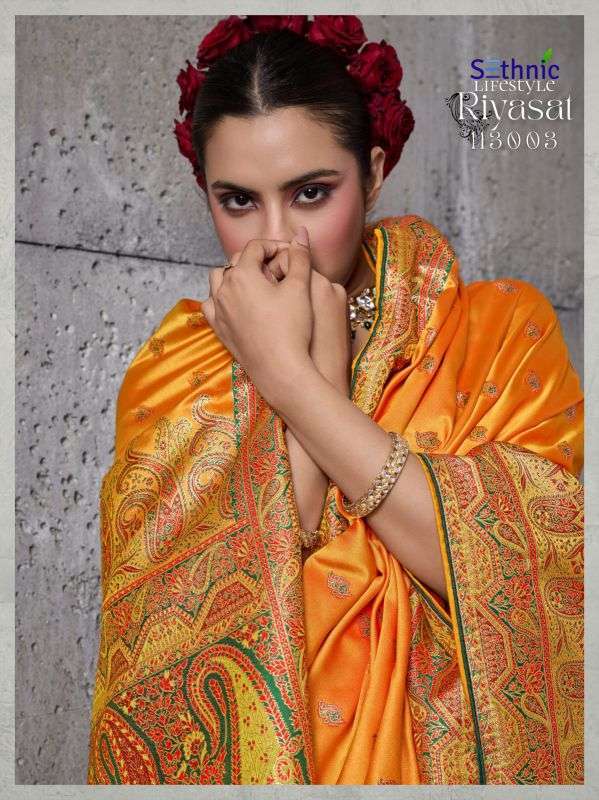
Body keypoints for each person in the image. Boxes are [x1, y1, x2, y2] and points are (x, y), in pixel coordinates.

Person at [87, 15, 584, 785]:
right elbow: (174, 655)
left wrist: (287, 378)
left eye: (312, 193)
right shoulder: (178, 365)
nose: (278, 239)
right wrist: (306, 362)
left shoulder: (496, 331)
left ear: (374, 172)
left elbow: (528, 585)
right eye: (238, 202)